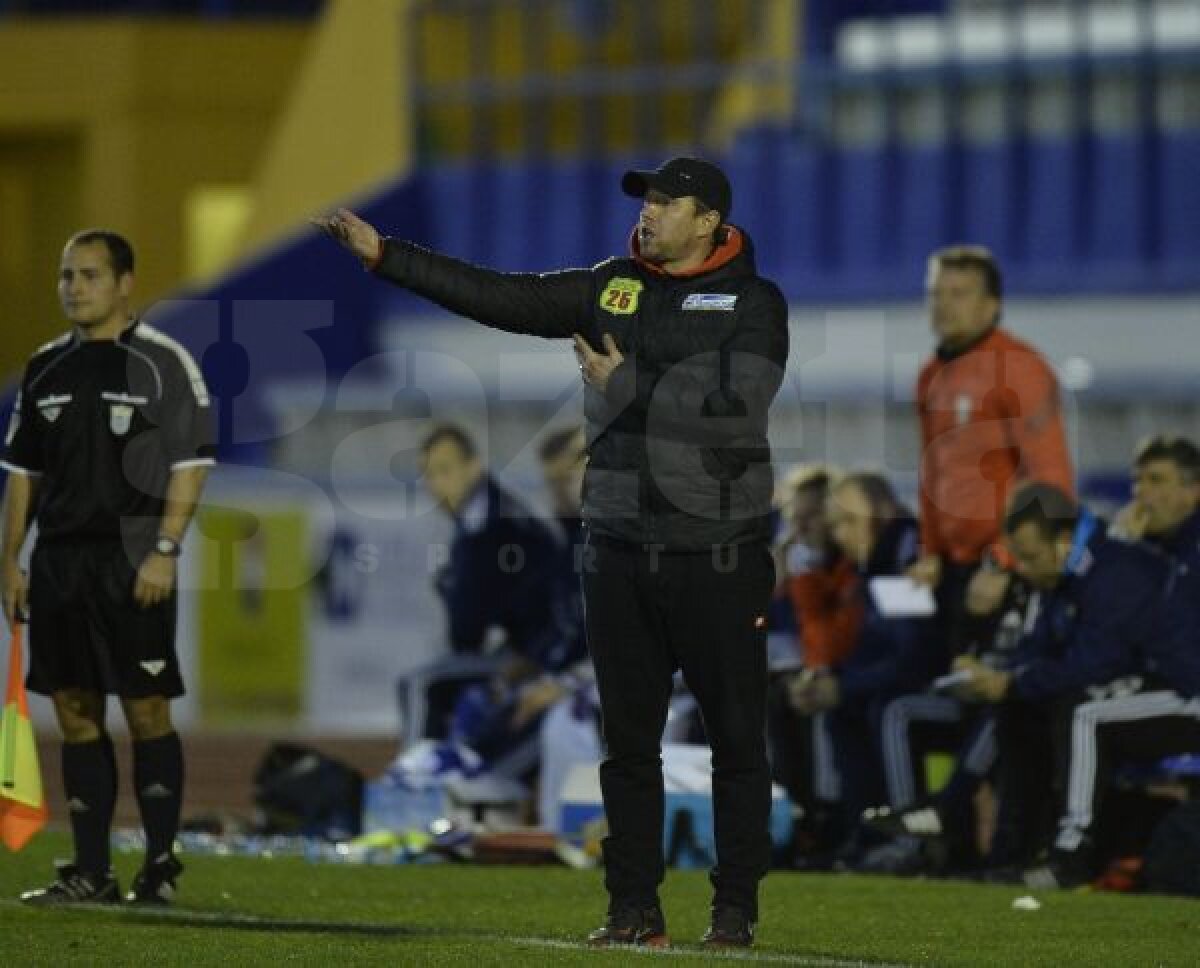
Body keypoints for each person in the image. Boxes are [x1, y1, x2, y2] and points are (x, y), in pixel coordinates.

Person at [315, 155, 788, 948]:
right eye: (646, 200)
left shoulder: (754, 302)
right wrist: (387, 256)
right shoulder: (610, 286)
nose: (649, 212)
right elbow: (503, 296)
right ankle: (632, 908)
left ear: (709, 221)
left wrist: (629, 386)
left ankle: (734, 909)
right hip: (617, 549)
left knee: (737, 744)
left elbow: (738, 409)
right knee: (626, 746)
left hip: (717, 553)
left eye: (667, 203)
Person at [0, 230, 214, 905]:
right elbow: (22, 477)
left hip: (133, 560)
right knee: (74, 711)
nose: (74, 287)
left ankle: (159, 869)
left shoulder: (163, 362)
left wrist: (166, 549)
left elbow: (190, 465)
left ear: (125, 283)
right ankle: (91, 871)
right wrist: (11, 562)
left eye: (89, 274)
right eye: (67, 275)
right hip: (60, 565)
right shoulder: (44, 369)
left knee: (146, 709)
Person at [952, 481, 1166, 876]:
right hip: (1117, 689)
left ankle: (1071, 855)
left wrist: (1013, 682)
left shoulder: (1113, 570)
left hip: (1168, 691)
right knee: (1016, 710)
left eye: (1030, 557)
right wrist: (1000, 676)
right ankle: (1010, 854)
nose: (1022, 569)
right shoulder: (1061, 574)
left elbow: (1097, 663)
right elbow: (1037, 648)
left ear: (1064, 542)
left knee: (1078, 712)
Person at [1022, 436, 1200, 888]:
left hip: (1191, 689)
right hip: (1172, 682)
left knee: (1086, 715)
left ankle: (1071, 853)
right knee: (1068, 704)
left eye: (1157, 481)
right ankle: (1047, 845)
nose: (1142, 494)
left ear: (1192, 490)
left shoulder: (1187, 552)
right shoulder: (1161, 548)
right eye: (1138, 482)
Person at [909, 246, 1073, 654]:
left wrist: (1004, 561)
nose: (944, 305)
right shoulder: (931, 375)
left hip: (1002, 570)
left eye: (959, 293)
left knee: (993, 683)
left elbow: (1051, 480)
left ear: (992, 304)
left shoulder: (1019, 368)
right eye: (936, 293)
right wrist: (930, 551)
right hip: (952, 569)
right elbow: (933, 472)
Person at [788, 471, 946, 870]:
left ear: (883, 511)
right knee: (840, 709)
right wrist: (832, 680)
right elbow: (871, 648)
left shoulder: (907, 557)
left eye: (848, 521)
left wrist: (845, 685)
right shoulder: (871, 564)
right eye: (835, 524)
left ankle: (909, 841)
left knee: (892, 712)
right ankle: (858, 833)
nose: (840, 535)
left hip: (941, 686)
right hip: (898, 681)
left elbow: (914, 658)